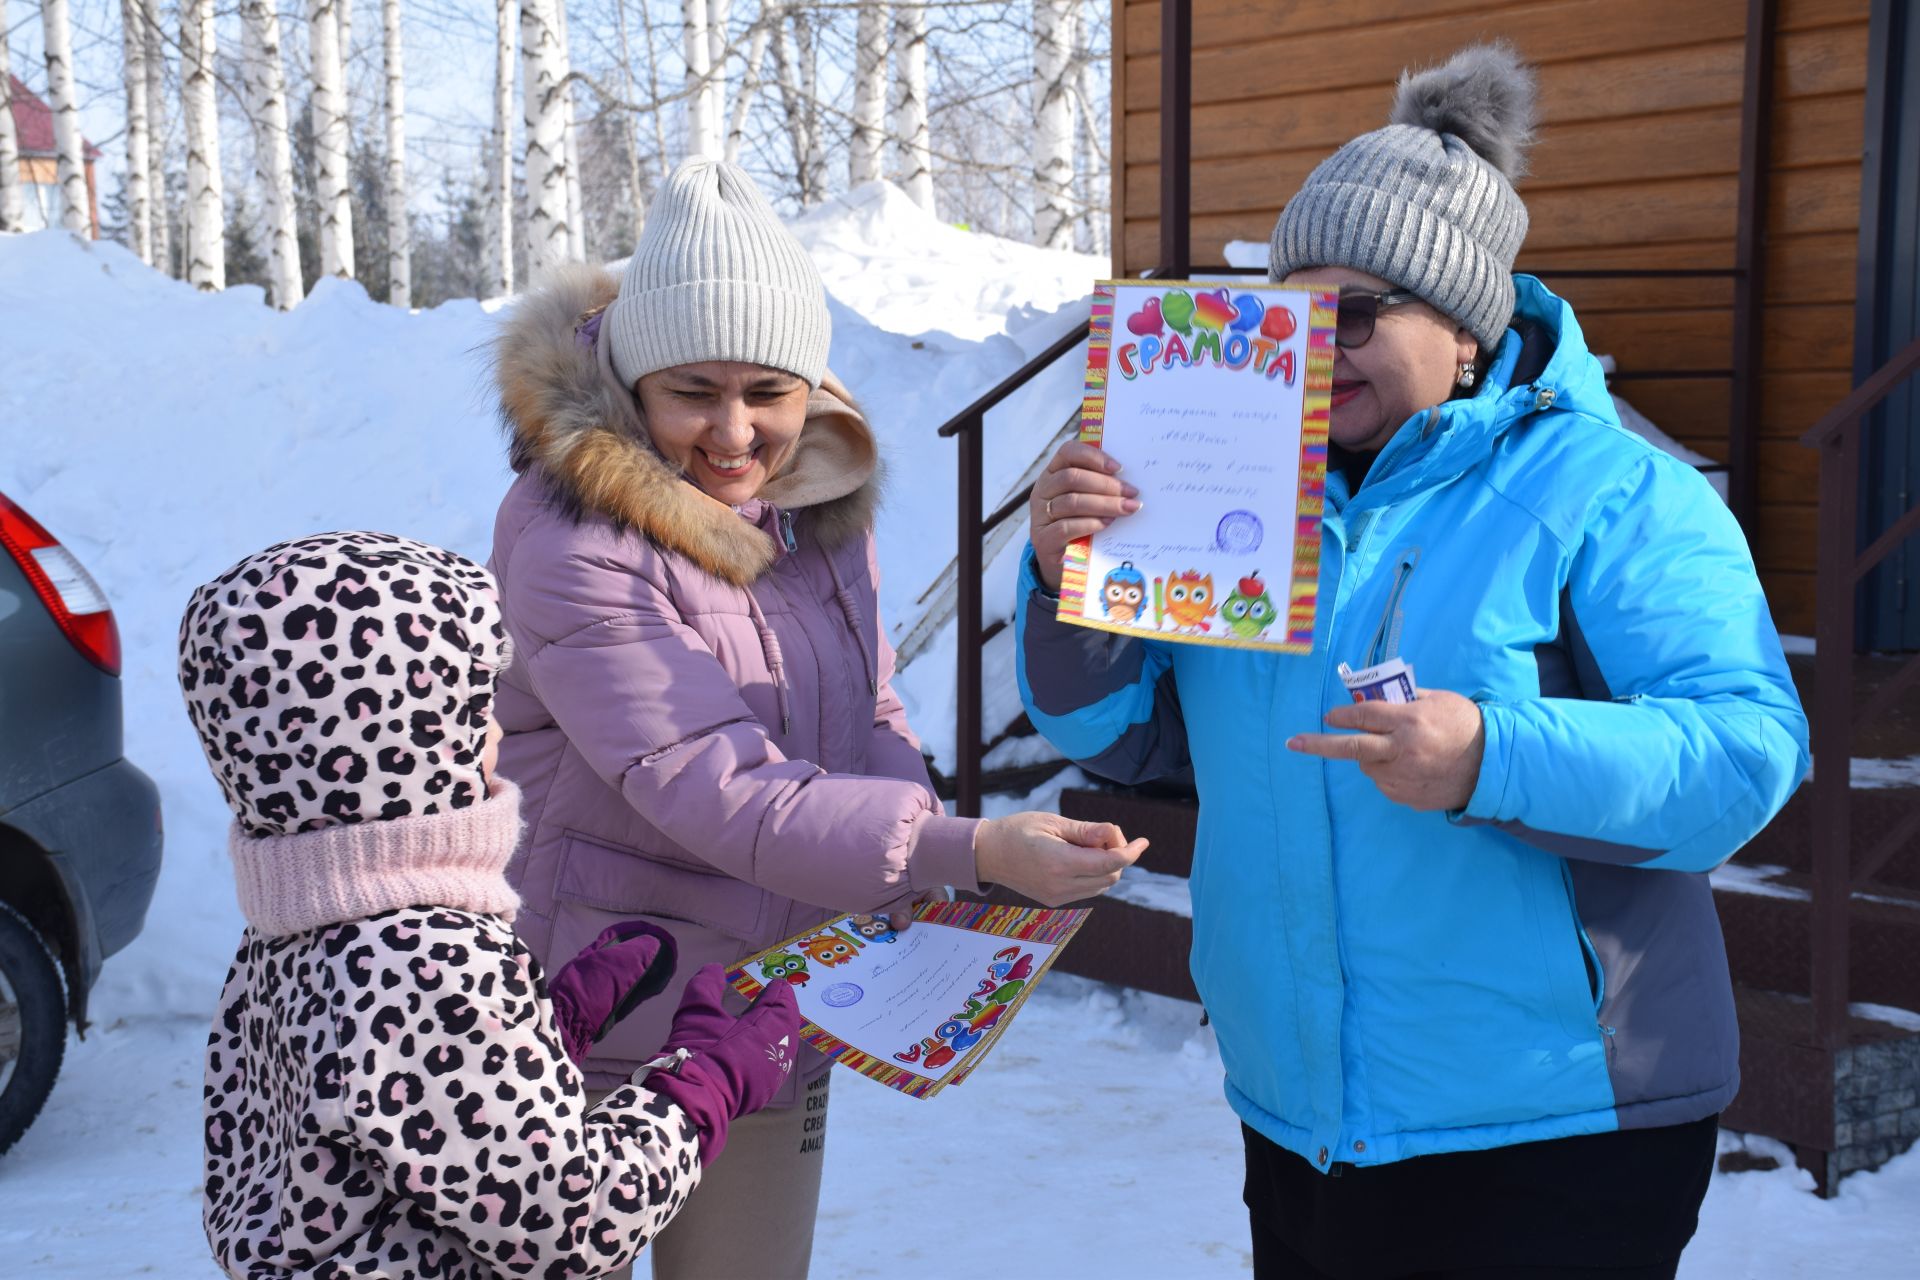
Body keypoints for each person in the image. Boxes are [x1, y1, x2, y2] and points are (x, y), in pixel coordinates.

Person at [1016, 44, 1808, 1279]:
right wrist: (1071, 576)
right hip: (1303, 1106)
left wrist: (1493, 754)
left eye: (1363, 312)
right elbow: (1129, 742)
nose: (1318, 346)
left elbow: (1744, 760)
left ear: (1470, 332)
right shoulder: (1231, 494)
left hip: (1556, 1122)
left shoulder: (1613, 490)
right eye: (1294, 311)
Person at [487, 157, 1147, 1279]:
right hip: (595, 1012)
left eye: (769, 391)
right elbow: (713, 780)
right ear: (637, 382)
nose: (736, 432)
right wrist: (963, 847)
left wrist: (922, 871)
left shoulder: (815, 510)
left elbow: (870, 710)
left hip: (763, 1003)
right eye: (695, 389)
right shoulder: (574, 537)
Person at [180, 531, 804, 1280]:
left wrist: (538, 1045)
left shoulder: (291, 936)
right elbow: (569, 1222)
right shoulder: (423, 956)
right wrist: (701, 1086)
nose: (496, 731)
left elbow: (399, 1130)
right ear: (399, 742)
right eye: (472, 706)